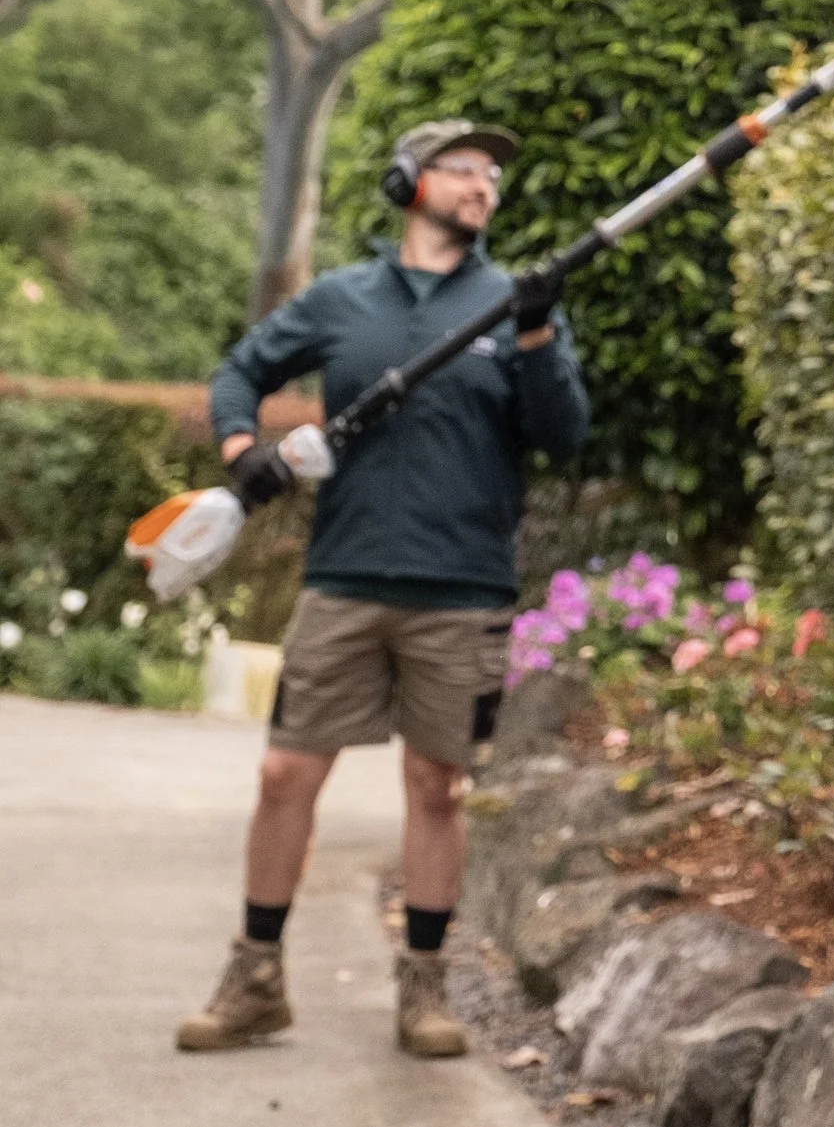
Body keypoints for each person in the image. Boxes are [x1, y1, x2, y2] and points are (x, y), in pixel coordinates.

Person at [176, 119, 589, 1063]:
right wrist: (245, 452)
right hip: (344, 576)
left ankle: (425, 992)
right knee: (285, 774)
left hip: (463, 586)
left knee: (436, 787)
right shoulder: (343, 299)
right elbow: (242, 368)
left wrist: (535, 332)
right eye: (463, 168)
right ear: (410, 181)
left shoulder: (513, 303)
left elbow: (564, 436)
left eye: (493, 173)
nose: (484, 183)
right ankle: (255, 979)